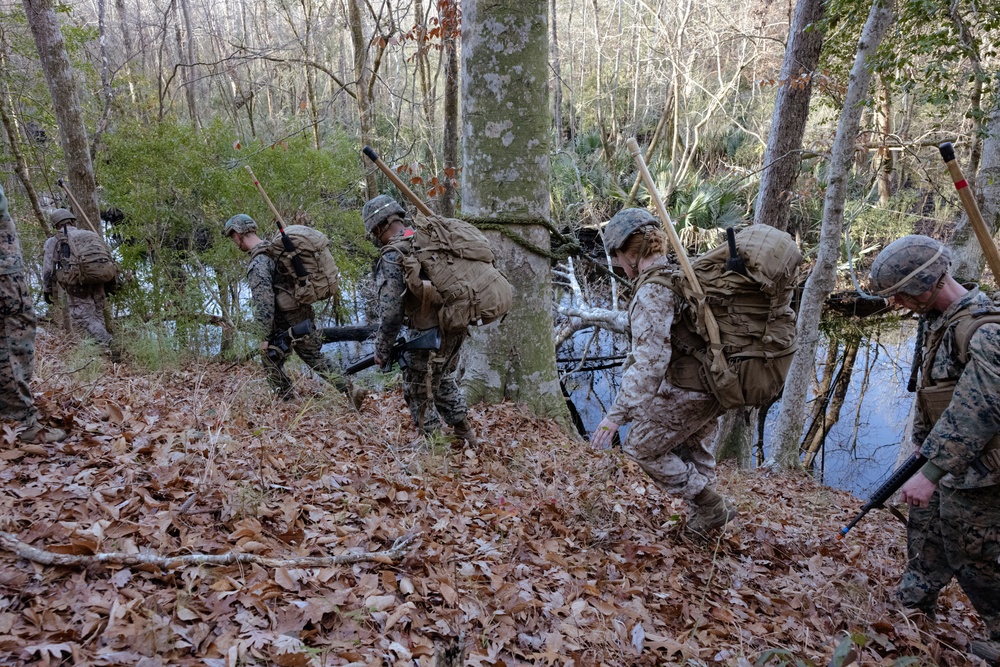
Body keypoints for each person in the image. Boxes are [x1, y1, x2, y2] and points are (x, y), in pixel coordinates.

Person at [869, 234, 1000, 663]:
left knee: (975, 554)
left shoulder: (984, 330)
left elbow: (978, 411)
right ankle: (914, 601)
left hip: (981, 470)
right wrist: (925, 457)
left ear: (927, 285)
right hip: (943, 458)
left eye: (902, 295)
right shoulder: (940, 320)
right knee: (925, 531)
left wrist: (931, 472)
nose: (898, 305)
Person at [590, 208, 735, 537]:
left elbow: (651, 359)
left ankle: (711, 506)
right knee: (694, 449)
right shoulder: (678, 276)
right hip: (716, 384)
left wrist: (617, 415)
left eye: (616, 257)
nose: (618, 266)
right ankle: (707, 529)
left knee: (640, 448)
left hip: (688, 389)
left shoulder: (652, 291)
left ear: (631, 252)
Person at [362, 195, 478, 446]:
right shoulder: (430, 240)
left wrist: (381, 349)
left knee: (417, 389)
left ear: (380, 226)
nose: (376, 238)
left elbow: (391, 314)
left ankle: (433, 446)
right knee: (442, 379)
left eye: (374, 232)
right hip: (455, 326)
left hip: (426, 335)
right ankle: (464, 432)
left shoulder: (394, 254)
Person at [224, 214, 365, 408]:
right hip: (301, 311)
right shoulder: (276, 250)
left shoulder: (258, 263)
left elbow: (264, 303)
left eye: (233, 237)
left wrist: (263, 337)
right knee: (313, 356)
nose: (234, 242)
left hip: (285, 319)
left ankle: (287, 401)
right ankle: (350, 388)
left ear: (238, 233)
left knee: (270, 358)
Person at [1, 185, 66, 443]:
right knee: (10, 335)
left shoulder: (57, 240)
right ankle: (17, 421)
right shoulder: (65, 239)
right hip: (4, 272)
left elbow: (49, 268)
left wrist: (48, 289)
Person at [42, 208, 114, 354]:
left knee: (83, 317)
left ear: (55, 224)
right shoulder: (89, 234)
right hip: (99, 279)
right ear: (72, 221)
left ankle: (109, 342)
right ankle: (102, 351)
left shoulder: (54, 240)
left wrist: (47, 289)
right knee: (98, 313)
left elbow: (48, 268)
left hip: (77, 283)